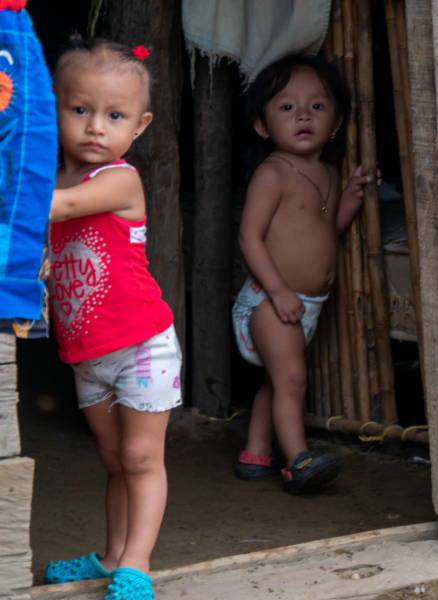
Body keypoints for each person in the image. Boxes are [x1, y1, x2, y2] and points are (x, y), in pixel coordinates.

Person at [44, 38, 179, 600]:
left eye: (115, 115)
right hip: (87, 355)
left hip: (142, 345)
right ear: (52, 108)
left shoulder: (118, 181)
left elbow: (54, 210)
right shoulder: (53, 183)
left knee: (141, 457)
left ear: (139, 126)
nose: (96, 127)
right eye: (80, 110)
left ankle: (136, 568)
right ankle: (110, 556)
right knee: (113, 460)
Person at [233, 54, 373, 494]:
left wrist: (348, 198)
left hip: (306, 304)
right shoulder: (272, 173)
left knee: (279, 381)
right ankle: (297, 459)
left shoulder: (327, 172)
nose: (303, 116)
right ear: (262, 125)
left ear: (335, 121)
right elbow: (249, 238)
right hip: (271, 300)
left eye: (316, 106)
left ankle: (255, 452)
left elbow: (323, 231)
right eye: (286, 107)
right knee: (292, 380)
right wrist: (278, 292)